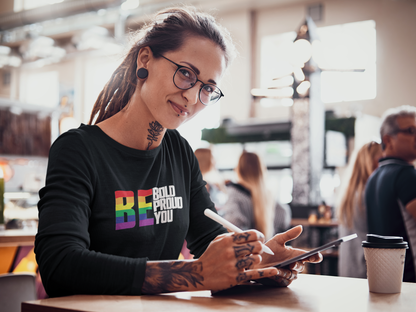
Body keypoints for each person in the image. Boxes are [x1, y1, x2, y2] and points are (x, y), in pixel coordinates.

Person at [35, 6, 321, 298]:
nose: (192, 97)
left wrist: (255, 261)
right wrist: (193, 274)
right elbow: (60, 265)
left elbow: (208, 236)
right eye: (185, 73)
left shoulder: (180, 152)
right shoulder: (79, 149)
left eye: (208, 88)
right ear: (145, 59)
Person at [365, 105, 416, 282]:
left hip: (385, 278)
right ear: (389, 139)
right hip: (409, 280)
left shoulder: (374, 177)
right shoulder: (406, 174)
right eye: (411, 131)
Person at [337, 141, 382, 278]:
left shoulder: (348, 195)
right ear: (372, 162)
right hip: (367, 269)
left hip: (348, 267)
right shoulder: (369, 195)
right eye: (381, 159)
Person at [222, 152, 291, 239]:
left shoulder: (235, 193)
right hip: (269, 249)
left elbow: (231, 226)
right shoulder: (269, 195)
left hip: (245, 250)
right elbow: (284, 219)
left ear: (238, 170)